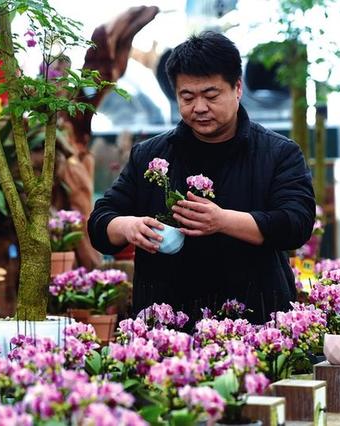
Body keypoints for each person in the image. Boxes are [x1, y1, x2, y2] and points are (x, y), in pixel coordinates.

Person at [88, 31, 315, 324]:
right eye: (187, 97)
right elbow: (100, 222)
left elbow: (296, 224)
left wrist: (222, 221)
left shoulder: (278, 153)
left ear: (237, 88)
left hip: (255, 320)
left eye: (211, 95)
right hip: (168, 328)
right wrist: (128, 226)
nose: (199, 108)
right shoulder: (150, 155)